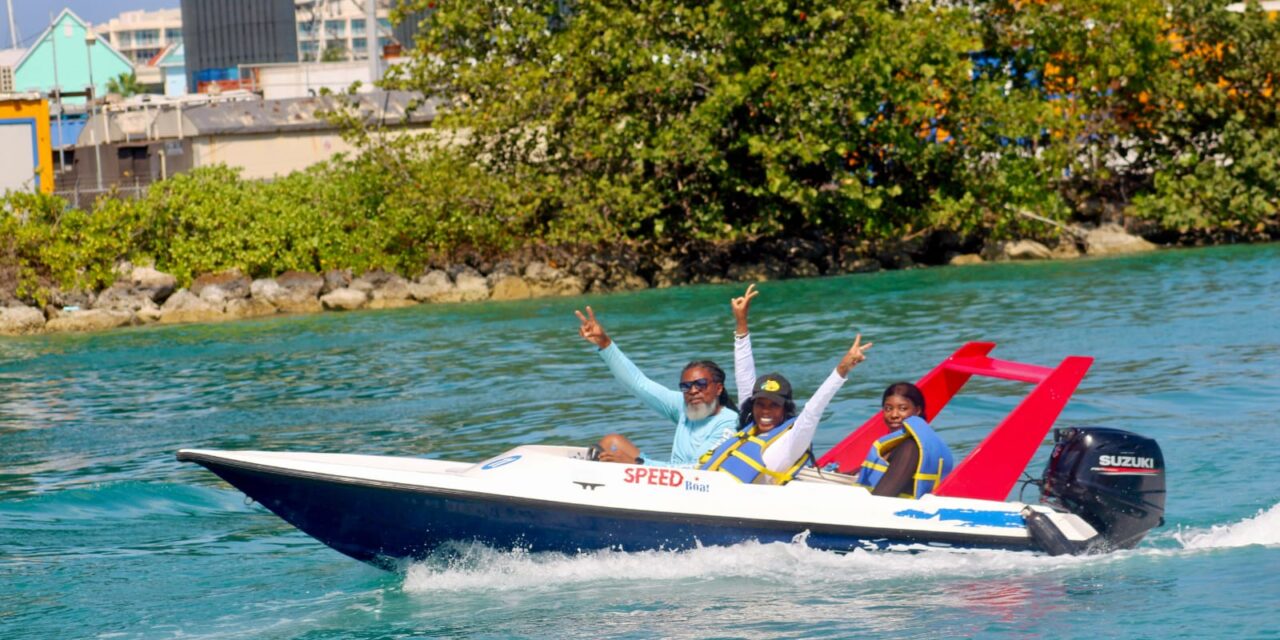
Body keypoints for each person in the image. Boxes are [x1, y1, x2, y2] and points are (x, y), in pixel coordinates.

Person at [699, 284, 873, 484]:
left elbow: (814, 409)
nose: (765, 411)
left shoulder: (792, 441)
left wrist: (842, 369)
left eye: (774, 405)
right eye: (760, 404)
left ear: (785, 409)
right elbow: (744, 376)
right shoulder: (750, 427)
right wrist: (741, 323)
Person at [575, 306, 738, 466]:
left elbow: (699, 468)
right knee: (612, 443)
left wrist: (638, 463)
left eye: (701, 384)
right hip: (670, 474)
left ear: (718, 388)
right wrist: (604, 343)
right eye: (686, 386)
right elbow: (638, 384)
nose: (693, 391)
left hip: (696, 480)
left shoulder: (729, 423)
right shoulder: (684, 406)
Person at [854, 381, 955, 498]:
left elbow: (881, 499)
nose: (894, 415)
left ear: (917, 411)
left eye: (902, 408)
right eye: (888, 408)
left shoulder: (910, 448)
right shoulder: (897, 445)